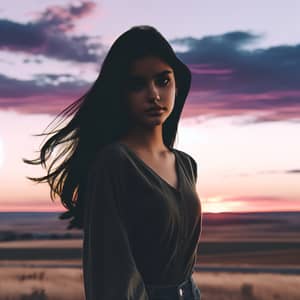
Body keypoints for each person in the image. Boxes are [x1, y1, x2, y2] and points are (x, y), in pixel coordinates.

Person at [23, 25, 202, 300]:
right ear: (120, 93)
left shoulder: (187, 165)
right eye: (137, 84)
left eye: (163, 81)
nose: (154, 94)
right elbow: (111, 273)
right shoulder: (115, 162)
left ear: (177, 82)